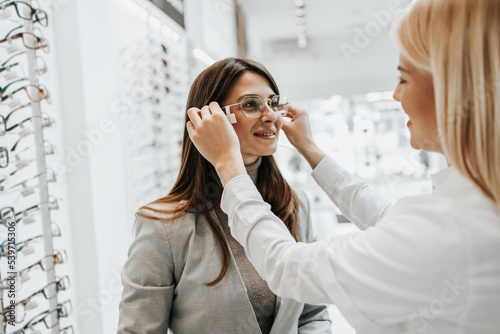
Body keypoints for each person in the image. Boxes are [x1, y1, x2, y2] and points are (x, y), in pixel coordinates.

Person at [185, 0, 500, 333]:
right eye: (251, 104)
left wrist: (228, 166)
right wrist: (311, 151)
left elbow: (287, 268)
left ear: (450, 91)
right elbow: (387, 217)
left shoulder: (449, 228)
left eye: (404, 79)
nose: (395, 95)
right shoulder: (470, 209)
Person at [117, 58, 332, 333]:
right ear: (210, 120)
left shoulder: (293, 205)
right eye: (251, 104)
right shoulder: (163, 227)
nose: (270, 115)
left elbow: (312, 314)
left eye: (274, 103)